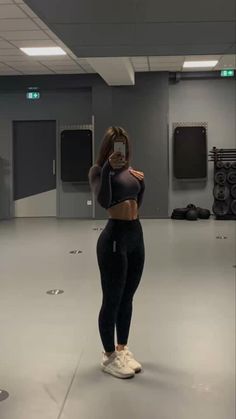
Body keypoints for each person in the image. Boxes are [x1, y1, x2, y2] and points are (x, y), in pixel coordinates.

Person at [88, 126, 145, 379]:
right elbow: (105, 201)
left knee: (128, 297)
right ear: (108, 147)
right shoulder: (99, 170)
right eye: (115, 145)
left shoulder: (129, 172)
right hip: (114, 238)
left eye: (123, 144)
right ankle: (109, 356)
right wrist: (110, 169)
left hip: (135, 234)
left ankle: (122, 349)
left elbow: (136, 203)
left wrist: (141, 184)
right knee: (112, 299)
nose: (120, 150)